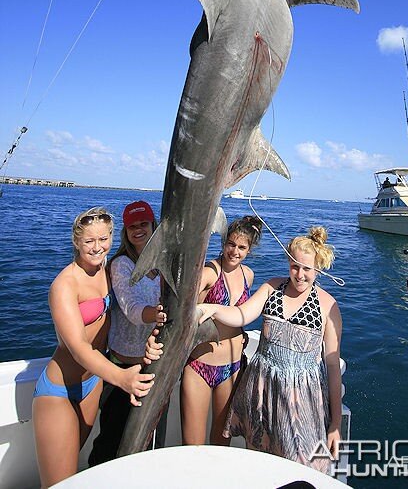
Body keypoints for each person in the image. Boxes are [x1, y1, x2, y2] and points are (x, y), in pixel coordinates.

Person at [198, 225, 342, 473]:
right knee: (260, 464)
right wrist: (213, 309)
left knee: (301, 465)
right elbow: (242, 314)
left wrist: (335, 423)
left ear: (318, 268)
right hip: (263, 391)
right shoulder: (271, 288)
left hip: (303, 400)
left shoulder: (328, 306)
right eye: (294, 266)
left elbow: (332, 366)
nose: (299, 274)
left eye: (307, 268)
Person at [32, 207, 155, 489]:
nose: (97, 247)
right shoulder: (64, 285)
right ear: (76, 241)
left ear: (113, 238)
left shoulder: (108, 270)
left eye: (103, 239)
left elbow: (126, 313)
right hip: (60, 390)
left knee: (74, 471)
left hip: (92, 385)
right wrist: (122, 377)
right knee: (58, 483)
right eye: (89, 241)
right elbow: (78, 349)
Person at [89, 200, 167, 466]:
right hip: (122, 369)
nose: (138, 230)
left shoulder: (164, 264)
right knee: (110, 445)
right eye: (132, 226)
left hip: (154, 368)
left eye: (143, 224)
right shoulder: (121, 264)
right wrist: (156, 313)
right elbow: (131, 309)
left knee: (147, 446)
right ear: (125, 231)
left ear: (152, 225)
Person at [180, 215, 262, 446]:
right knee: (192, 445)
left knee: (221, 442)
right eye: (231, 244)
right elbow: (184, 305)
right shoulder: (209, 272)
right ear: (224, 242)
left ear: (249, 249)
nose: (235, 251)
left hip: (232, 367)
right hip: (200, 367)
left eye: (242, 247)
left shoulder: (248, 275)